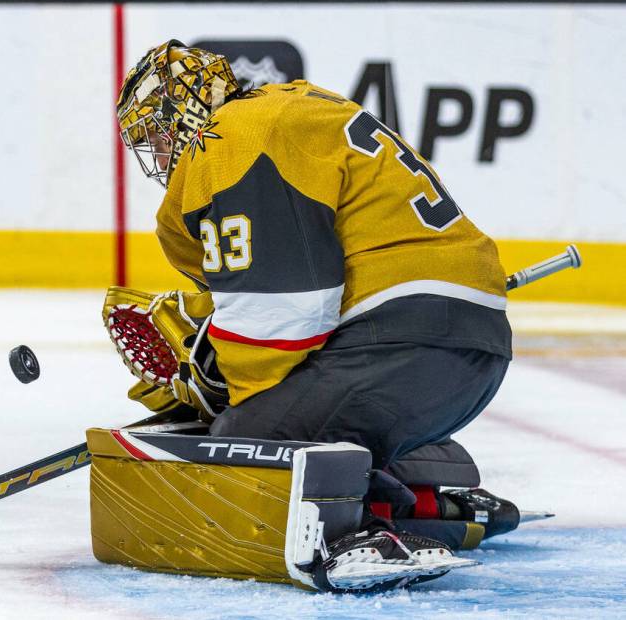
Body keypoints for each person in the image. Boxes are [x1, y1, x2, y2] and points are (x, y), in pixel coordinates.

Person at [111, 40, 516, 591]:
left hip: (397, 341)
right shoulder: (295, 107)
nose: (157, 154)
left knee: (243, 440)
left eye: (157, 134)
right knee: (315, 421)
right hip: (472, 351)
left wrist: (217, 388)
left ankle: (358, 533)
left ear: (187, 113)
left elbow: (286, 311)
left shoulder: (230, 138)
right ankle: (435, 497)